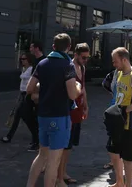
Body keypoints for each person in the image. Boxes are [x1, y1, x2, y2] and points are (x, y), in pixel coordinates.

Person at [26, 34, 81, 187]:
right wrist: (78, 87)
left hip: (43, 115)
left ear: (53, 46)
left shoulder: (42, 64)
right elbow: (72, 94)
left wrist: (45, 87)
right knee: (53, 160)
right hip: (59, 116)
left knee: (42, 155)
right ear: (69, 48)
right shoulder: (67, 65)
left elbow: (29, 88)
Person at [107, 48, 132, 187]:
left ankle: (128, 184)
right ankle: (119, 182)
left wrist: (125, 111)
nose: (114, 64)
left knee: (127, 158)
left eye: (116, 61)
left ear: (124, 59)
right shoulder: (119, 73)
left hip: (131, 122)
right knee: (113, 152)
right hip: (117, 121)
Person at [58, 43, 90, 186]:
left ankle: (62, 172)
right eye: (83, 57)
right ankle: (59, 175)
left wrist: (86, 105)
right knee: (65, 144)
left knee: (70, 145)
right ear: (75, 54)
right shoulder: (68, 67)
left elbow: (83, 88)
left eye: (87, 58)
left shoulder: (82, 68)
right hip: (68, 109)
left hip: (78, 110)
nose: (85, 60)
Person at [0, 52, 38, 145]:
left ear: (29, 60)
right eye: (21, 59)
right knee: (18, 116)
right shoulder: (24, 69)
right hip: (22, 94)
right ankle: (9, 137)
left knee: (27, 118)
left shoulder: (31, 69)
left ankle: (36, 137)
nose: (22, 61)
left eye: (24, 59)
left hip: (27, 95)